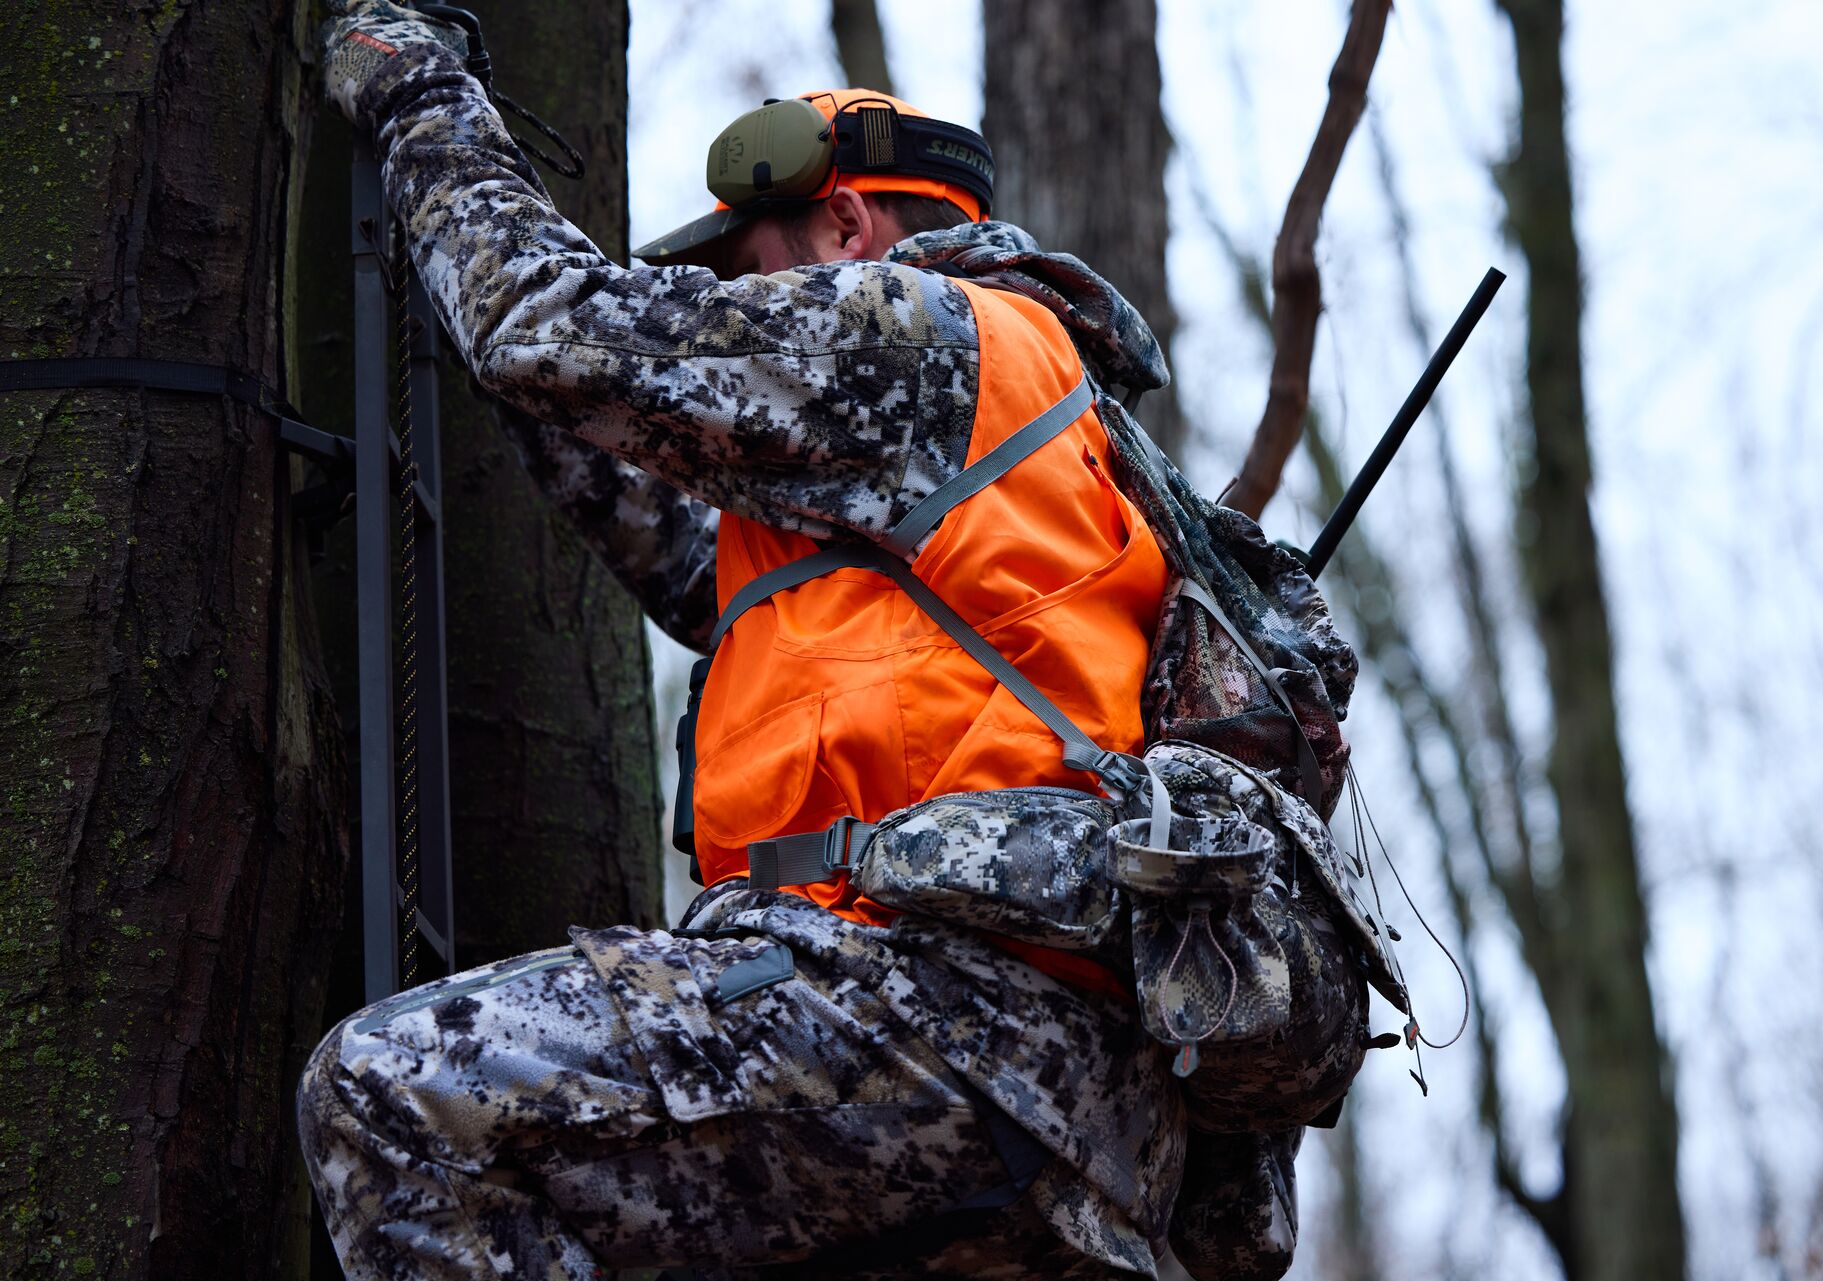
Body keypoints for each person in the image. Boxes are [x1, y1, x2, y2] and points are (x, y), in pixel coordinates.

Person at [301, 4, 1333, 1278]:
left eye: (749, 274)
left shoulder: (913, 331)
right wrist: (542, 377)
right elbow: (686, 554)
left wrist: (418, 101)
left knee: (393, 1094)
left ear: (848, 225)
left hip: (933, 1016)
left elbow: (547, 326)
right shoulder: (1036, 440)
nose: (743, 313)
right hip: (1076, 1118)